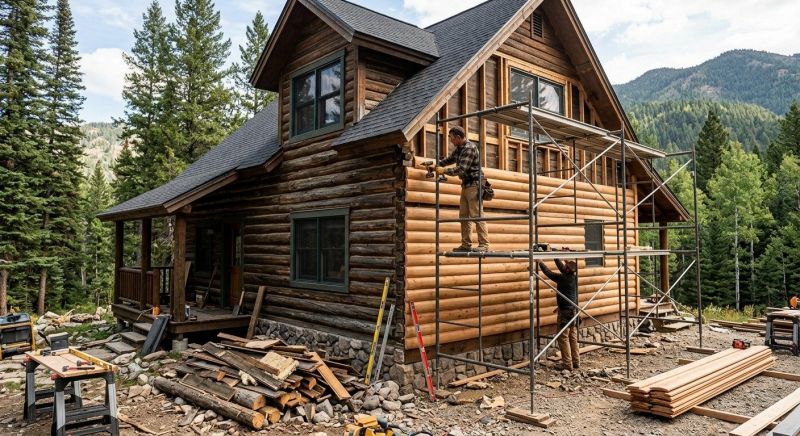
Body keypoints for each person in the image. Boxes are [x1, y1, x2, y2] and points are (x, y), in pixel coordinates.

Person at [435, 126, 489, 252]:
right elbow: (449, 160)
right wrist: (436, 165)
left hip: (474, 184)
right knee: (464, 216)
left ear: (459, 137)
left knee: (477, 215)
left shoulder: (469, 148)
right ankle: (466, 245)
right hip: (465, 185)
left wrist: (443, 170)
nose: (451, 141)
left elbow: (461, 169)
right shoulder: (459, 149)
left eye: (452, 138)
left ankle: (484, 245)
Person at [538, 259, 580, 370]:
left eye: (566, 266)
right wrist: (555, 256)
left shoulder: (562, 278)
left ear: (567, 270)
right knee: (572, 337)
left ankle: (567, 364)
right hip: (573, 310)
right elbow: (562, 268)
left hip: (566, 312)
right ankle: (576, 362)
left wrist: (540, 262)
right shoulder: (573, 277)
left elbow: (549, 273)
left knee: (563, 337)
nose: (564, 266)